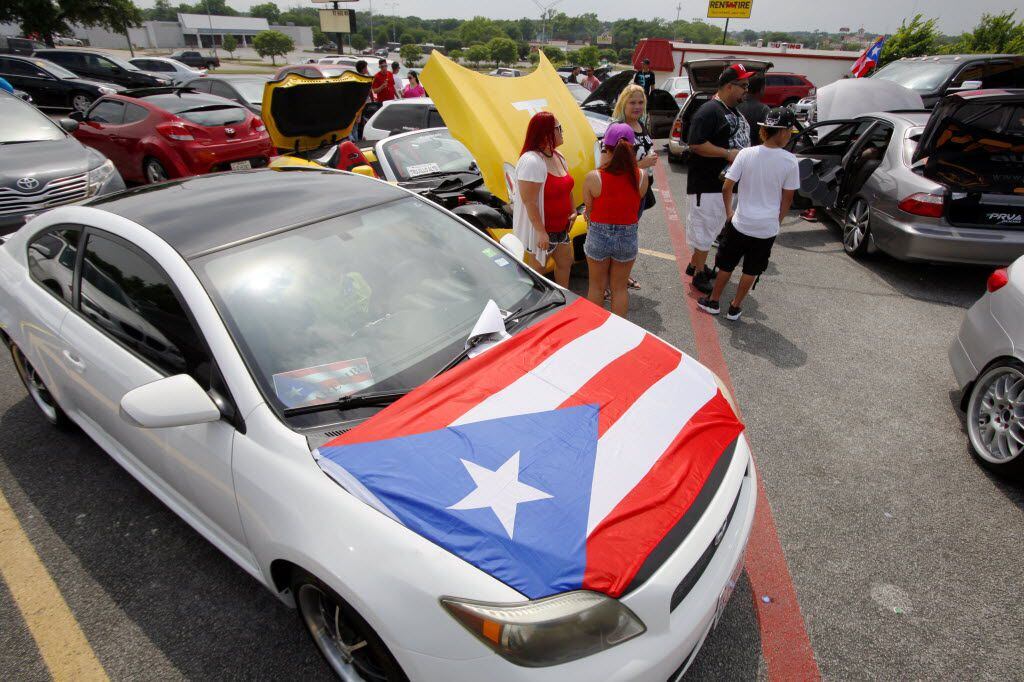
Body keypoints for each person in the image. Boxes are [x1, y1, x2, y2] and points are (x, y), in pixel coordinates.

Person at [697, 108, 800, 321]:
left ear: (766, 130)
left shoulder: (746, 153)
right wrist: (777, 222)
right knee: (751, 269)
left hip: (741, 222)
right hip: (766, 228)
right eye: (789, 131)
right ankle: (734, 307)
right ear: (782, 132)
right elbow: (787, 198)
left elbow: (727, 186)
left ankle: (714, 300)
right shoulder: (790, 161)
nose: (790, 134)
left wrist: (729, 213)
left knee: (726, 264)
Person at [684, 63, 755, 294]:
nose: (747, 89)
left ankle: (696, 263)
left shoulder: (732, 111)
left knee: (711, 229)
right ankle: (698, 273)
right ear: (728, 86)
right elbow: (695, 143)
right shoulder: (709, 111)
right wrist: (727, 154)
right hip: (708, 184)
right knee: (705, 230)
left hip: (724, 186)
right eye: (743, 85)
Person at [583, 123, 648, 317]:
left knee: (596, 286)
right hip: (627, 235)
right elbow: (636, 205)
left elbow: (589, 209)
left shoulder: (594, 177)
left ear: (606, 148)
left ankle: (594, 327)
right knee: (619, 288)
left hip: (598, 235)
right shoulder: (642, 176)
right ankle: (618, 332)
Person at [512, 112, 576, 287]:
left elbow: (567, 187)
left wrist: (573, 210)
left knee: (565, 263)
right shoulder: (531, 161)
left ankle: (564, 303)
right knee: (536, 274)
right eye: (559, 128)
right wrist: (541, 231)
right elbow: (529, 201)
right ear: (546, 132)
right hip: (542, 232)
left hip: (561, 228)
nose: (562, 132)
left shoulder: (558, 156)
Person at [611, 83, 658, 291]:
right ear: (623, 103)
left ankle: (622, 275)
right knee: (618, 237)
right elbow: (610, 167)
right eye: (632, 102)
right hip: (624, 193)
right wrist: (642, 164)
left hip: (640, 191)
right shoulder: (619, 129)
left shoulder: (640, 124)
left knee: (629, 236)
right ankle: (607, 281)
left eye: (640, 102)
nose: (637, 106)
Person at [737, 74, 769, 147]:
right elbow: (766, 137)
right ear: (761, 89)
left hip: (736, 152)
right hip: (756, 152)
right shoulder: (764, 109)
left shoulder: (734, 106)